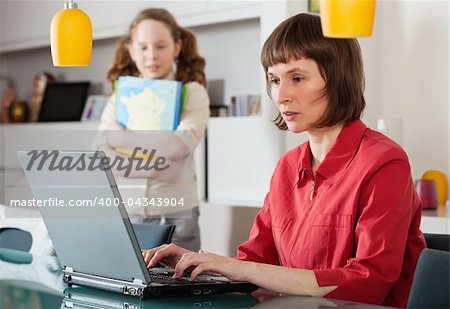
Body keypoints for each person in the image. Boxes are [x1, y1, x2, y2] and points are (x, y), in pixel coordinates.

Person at [142, 13, 426, 308]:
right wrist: (201, 264)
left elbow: (369, 281)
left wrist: (239, 268)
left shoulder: (385, 163)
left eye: (298, 78)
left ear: (339, 77)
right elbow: (254, 263)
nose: (281, 94)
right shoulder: (287, 167)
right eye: (274, 80)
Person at [95, 8, 210, 251]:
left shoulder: (193, 93)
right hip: (128, 216)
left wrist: (123, 138)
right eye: (143, 47)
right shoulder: (119, 98)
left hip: (177, 218)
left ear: (177, 48)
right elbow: (102, 157)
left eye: (161, 46)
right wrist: (162, 166)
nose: (151, 56)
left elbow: (178, 147)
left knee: (179, 286)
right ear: (131, 50)